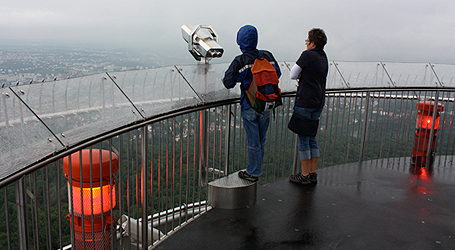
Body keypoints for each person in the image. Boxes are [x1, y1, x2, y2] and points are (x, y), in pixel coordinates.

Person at [222, 24, 281, 182]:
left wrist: (244, 79)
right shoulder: (267, 55)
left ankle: (254, 172)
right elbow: (278, 73)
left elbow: (227, 82)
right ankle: (257, 168)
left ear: (240, 41)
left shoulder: (240, 60)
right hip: (267, 104)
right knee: (261, 140)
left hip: (250, 105)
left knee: (253, 141)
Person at [289, 28, 328, 185]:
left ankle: (304, 175)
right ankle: (312, 173)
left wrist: (301, 74)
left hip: (305, 102)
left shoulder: (307, 55)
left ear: (312, 43)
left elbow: (292, 74)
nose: (306, 43)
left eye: (307, 41)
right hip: (318, 102)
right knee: (312, 137)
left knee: (303, 139)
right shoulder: (323, 57)